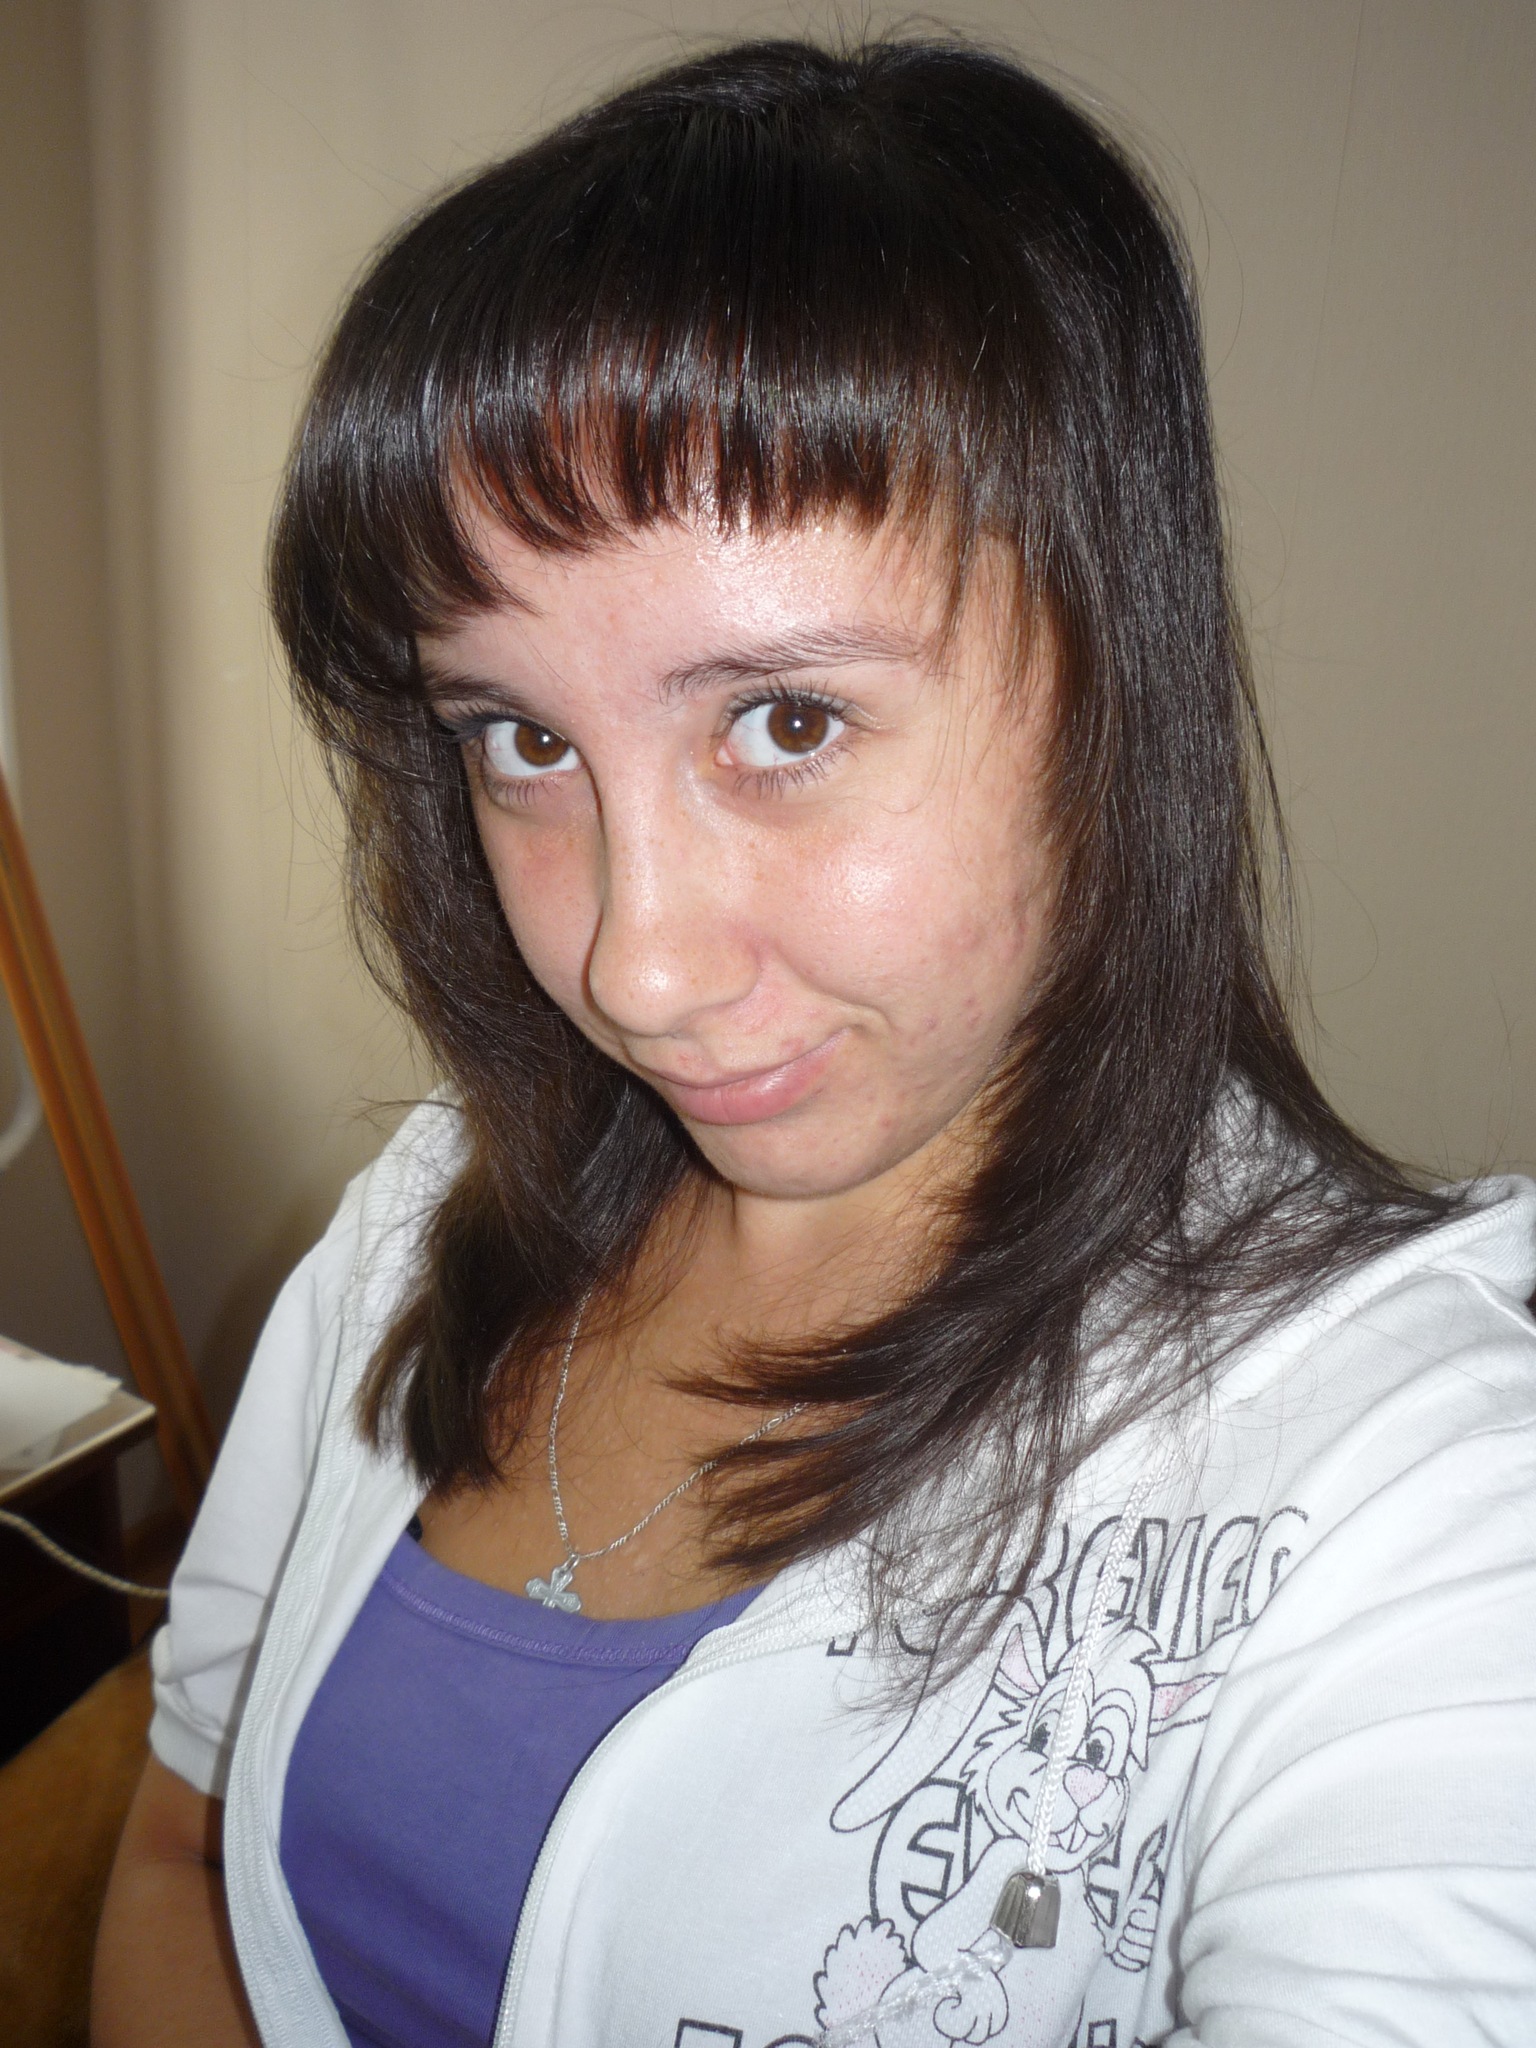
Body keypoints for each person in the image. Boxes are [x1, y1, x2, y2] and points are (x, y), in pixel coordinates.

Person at [92, 33, 1536, 2048]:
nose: (635, 966)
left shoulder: (1423, 1491)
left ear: (1112, 691)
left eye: (785, 721)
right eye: (520, 739)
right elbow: (180, 1841)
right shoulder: (426, 1221)